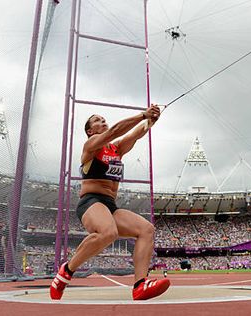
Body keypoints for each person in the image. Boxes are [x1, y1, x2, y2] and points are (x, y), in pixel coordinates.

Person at [50, 104, 170, 300]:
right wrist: (142, 115)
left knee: (146, 230)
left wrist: (151, 121)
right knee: (109, 232)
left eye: (103, 118)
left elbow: (134, 135)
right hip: (90, 202)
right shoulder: (91, 146)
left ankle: (140, 285)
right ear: (90, 131)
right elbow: (115, 131)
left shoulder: (116, 149)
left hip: (110, 205)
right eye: (97, 120)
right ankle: (67, 270)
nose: (102, 121)